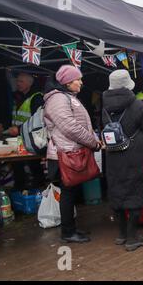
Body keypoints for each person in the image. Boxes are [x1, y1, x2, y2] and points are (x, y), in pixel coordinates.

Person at [43, 65, 102, 244]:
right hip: (64, 154)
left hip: (69, 152)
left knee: (70, 191)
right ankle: (68, 232)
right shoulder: (58, 99)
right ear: (68, 82)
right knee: (68, 192)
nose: (81, 82)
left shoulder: (66, 97)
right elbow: (70, 127)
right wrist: (93, 142)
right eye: (78, 79)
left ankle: (70, 228)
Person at [102, 70, 143, 252]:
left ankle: (122, 234)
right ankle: (133, 237)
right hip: (134, 155)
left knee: (117, 190)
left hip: (113, 154)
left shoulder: (105, 106)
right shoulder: (137, 105)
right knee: (135, 191)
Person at [0, 73, 45, 189]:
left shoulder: (36, 97)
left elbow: (37, 120)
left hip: (31, 139)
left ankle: (38, 192)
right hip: (17, 139)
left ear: (29, 83)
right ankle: (20, 191)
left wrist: (18, 129)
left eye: (21, 81)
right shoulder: (18, 97)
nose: (17, 84)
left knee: (34, 166)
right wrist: (4, 126)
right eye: (17, 81)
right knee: (17, 167)